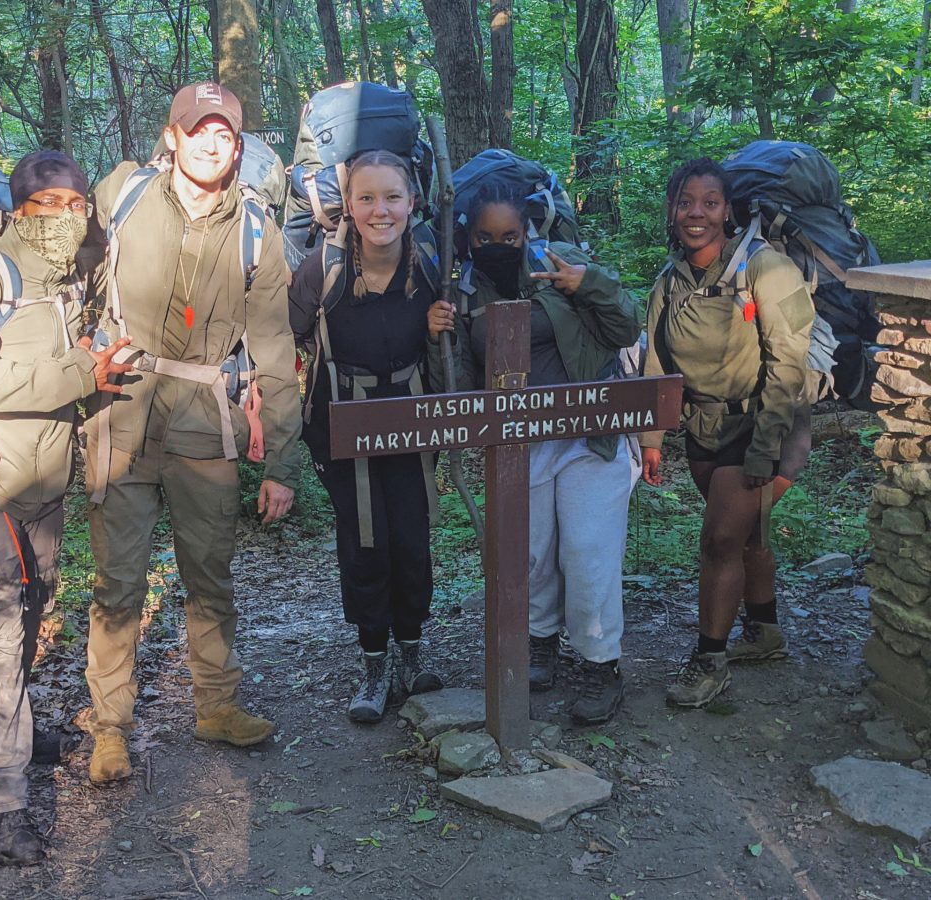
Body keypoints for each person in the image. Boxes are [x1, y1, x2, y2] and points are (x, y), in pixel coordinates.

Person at [83, 83, 302, 783]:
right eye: (198, 130)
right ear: (171, 136)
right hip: (122, 408)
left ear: (239, 144)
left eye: (226, 134)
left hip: (208, 420)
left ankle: (217, 705)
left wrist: (282, 465)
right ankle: (110, 727)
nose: (212, 143)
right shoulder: (122, 194)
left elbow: (274, 350)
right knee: (119, 582)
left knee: (210, 575)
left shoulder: (258, 232)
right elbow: (60, 258)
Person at [0, 150, 132, 865]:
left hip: (42, 484)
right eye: (49, 205)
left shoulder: (65, 279)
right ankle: (3, 807)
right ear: (19, 210)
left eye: (76, 204)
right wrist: (81, 370)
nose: (66, 216)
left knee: (33, 609)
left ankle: (16, 734)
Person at [427, 184, 640, 725]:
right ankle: (540, 641)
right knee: (533, 554)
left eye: (509, 235)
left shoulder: (562, 266)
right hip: (518, 445)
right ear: (468, 238)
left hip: (589, 437)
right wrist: (440, 338)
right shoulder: (464, 292)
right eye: (484, 236)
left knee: (588, 556)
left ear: (528, 232)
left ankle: (599, 664)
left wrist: (586, 283)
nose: (498, 244)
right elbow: (455, 390)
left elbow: (626, 326)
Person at [641, 158, 814, 709]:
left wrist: (764, 450)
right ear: (672, 209)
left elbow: (789, 365)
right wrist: (652, 441)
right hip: (704, 428)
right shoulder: (668, 283)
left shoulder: (766, 268)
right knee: (745, 534)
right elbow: (654, 367)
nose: (697, 213)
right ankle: (764, 633)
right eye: (686, 201)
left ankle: (709, 661)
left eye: (710, 202)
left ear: (728, 209)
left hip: (772, 424)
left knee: (719, 540)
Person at [289, 150, 445, 724]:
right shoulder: (323, 266)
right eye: (366, 198)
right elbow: (291, 334)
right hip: (341, 419)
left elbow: (453, 347)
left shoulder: (428, 259)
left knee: (410, 537)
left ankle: (412, 653)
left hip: (410, 415)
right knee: (365, 542)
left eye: (393, 197)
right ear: (347, 206)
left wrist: (436, 329)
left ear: (413, 201)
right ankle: (374, 665)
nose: (381, 210)